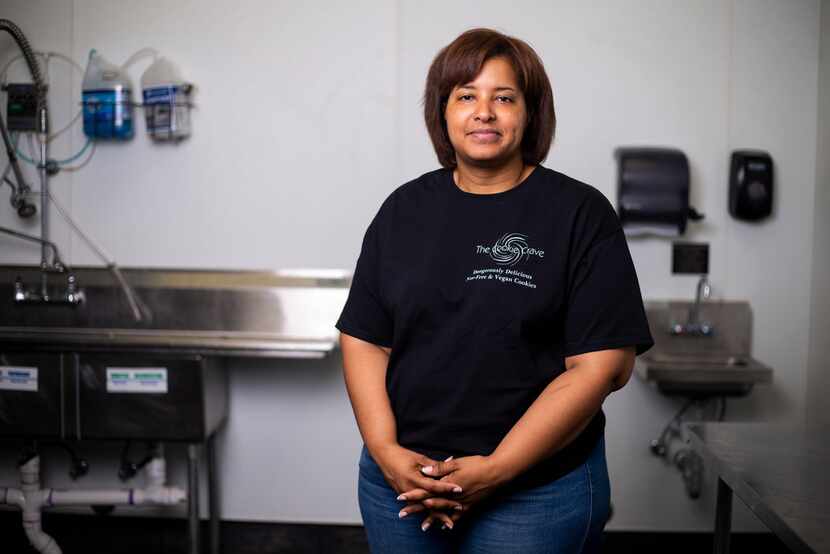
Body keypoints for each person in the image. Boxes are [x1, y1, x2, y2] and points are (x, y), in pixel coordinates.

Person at [336, 27, 654, 554]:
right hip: (401, 485)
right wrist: (386, 451)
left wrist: (498, 470)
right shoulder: (403, 211)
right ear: (443, 113)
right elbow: (365, 338)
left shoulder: (579, 214)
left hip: (535, 495)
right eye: (466, 96)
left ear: (530, 113)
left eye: (503, 97)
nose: (483, 112)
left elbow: (601, 368)